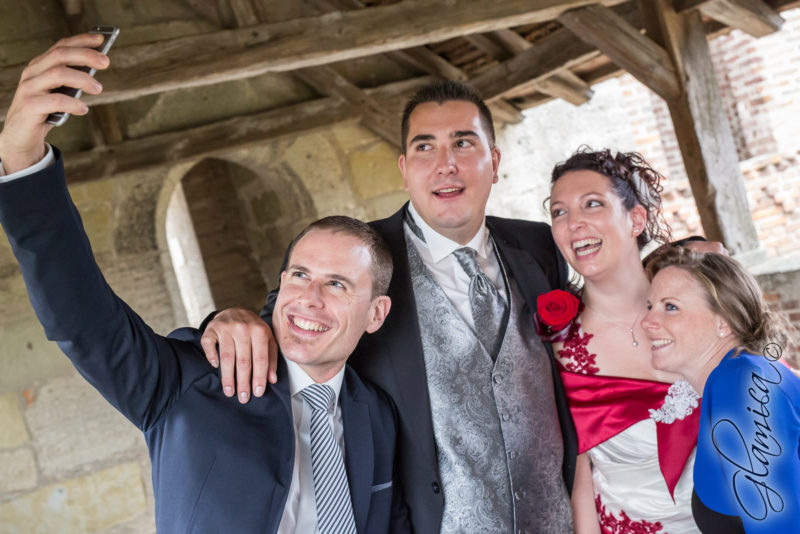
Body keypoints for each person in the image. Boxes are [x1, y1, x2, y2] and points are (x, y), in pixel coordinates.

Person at [0, 34, 410, 533]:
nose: (309, 297)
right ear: (280, 284)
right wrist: (23, 165)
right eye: (300, 275)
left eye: (338, 284)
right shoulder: (191, 381)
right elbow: (82, 321)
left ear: (376, 314)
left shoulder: (379, 416)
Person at [203, 81, 578, 532]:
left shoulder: (540, 245)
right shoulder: (361, 256)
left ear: (494, 162)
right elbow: (287, 322)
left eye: (463, 142)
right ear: (404, 169)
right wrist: (225, 319)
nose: (446, 165)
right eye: (425, 148)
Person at [543, 149, 703, 533]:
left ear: (636, 218)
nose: (573, 223)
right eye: (559, 212)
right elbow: (580, 480)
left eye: (592, 204)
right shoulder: (559, 345)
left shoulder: (702, 305)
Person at [642, 247, 800, 534]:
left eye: (671, 307)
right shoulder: (740, 377)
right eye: (649, 306)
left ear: (723, 322)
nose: (647, 322)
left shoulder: (740, 384)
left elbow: (779, 527)